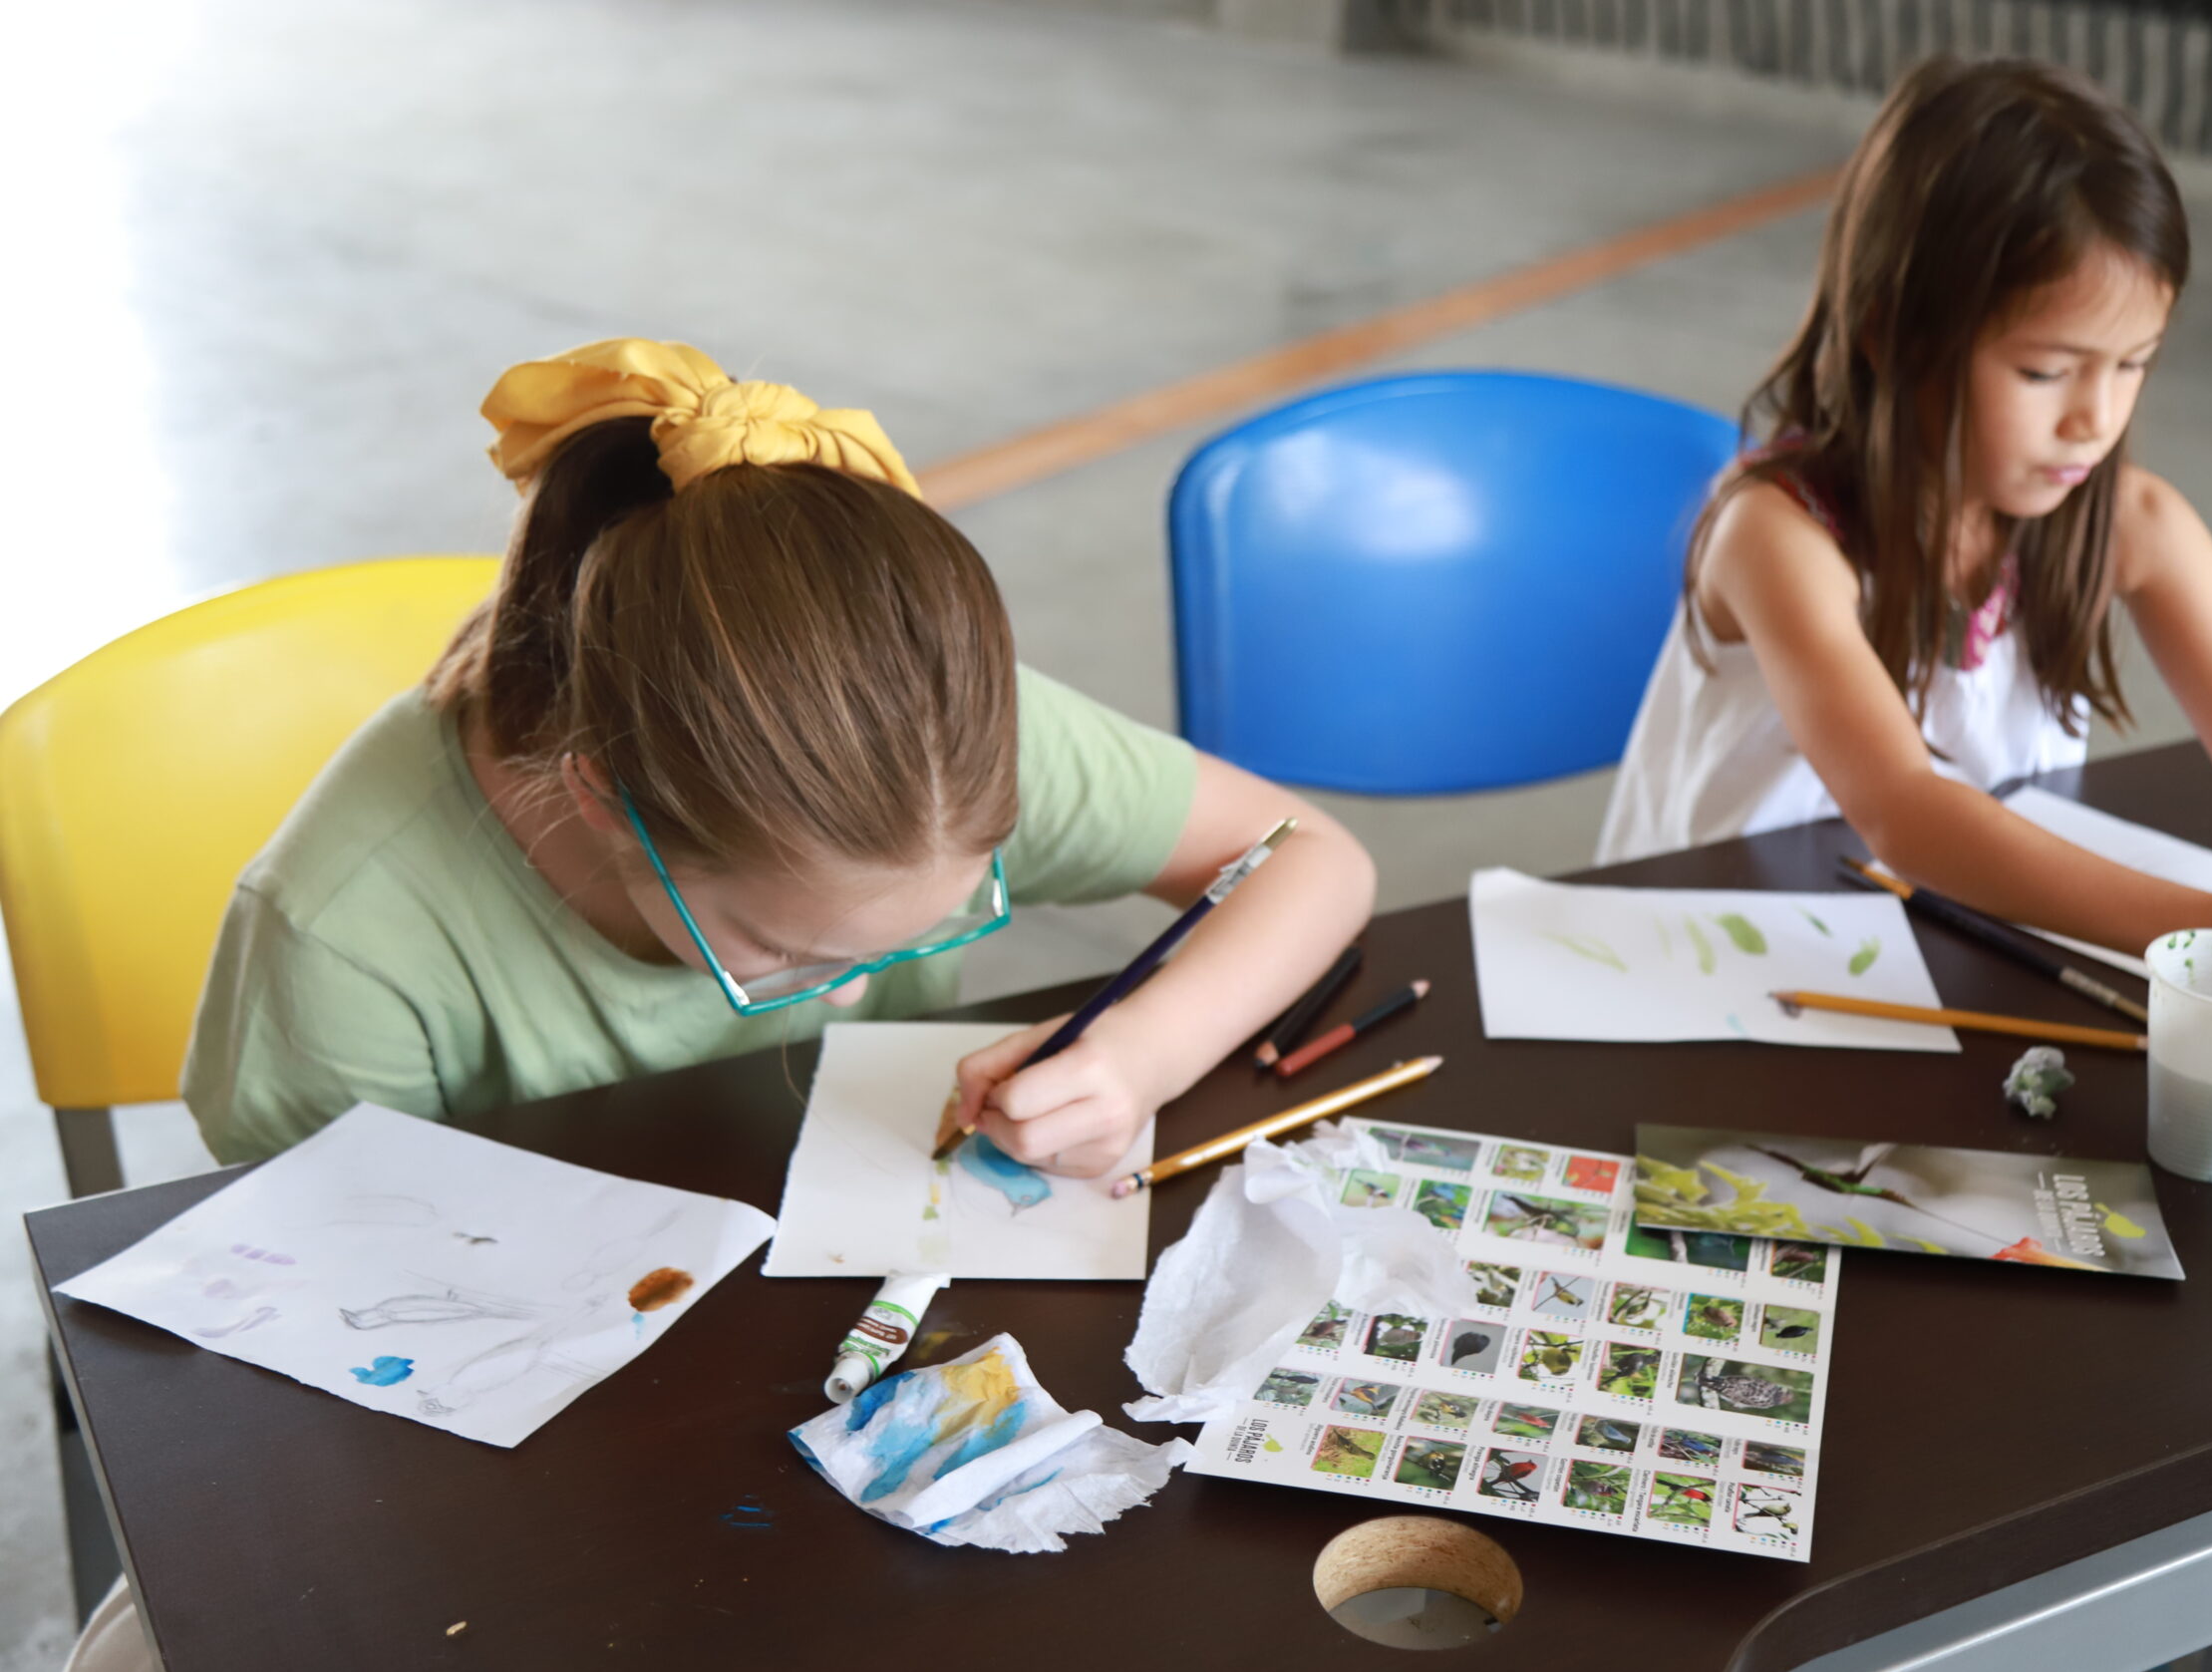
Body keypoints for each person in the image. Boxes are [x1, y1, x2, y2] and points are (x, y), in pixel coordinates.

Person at [181, 338, 1375, 1178]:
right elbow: (323, 1264)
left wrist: (1137, 1058)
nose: (853, 986)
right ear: (607, 799)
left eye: (930, 926)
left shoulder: (922, 745)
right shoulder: (342, 938)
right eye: (791, 953)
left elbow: (1311, 858)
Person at [1597, 59, 2212, 1003]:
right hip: (1695, 972)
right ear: (1891, 334)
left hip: (1933, 957)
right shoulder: (1778, 539)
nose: (2093, 419)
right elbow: (1906, 809)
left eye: (2132, 365)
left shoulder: (2134, 524)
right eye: (2045, 372)